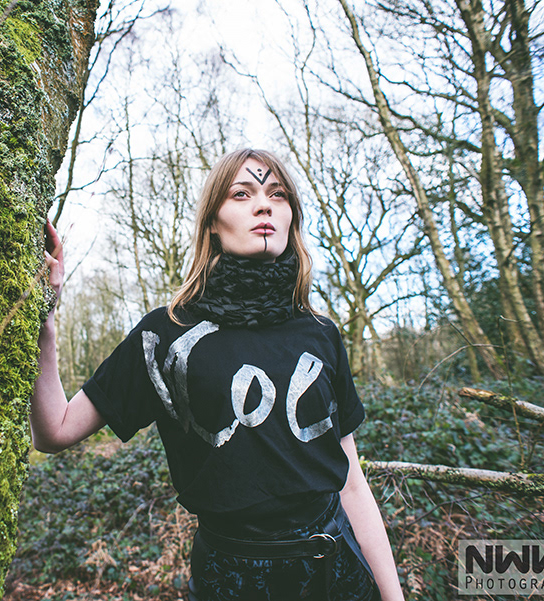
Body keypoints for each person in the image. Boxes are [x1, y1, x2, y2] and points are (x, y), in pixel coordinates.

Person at [30, 149, 405, 601]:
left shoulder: (321, 334)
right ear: (212, 221)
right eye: (241, 194)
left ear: (291, 216)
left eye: (277, 194)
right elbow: (55, 430)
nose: (264, 205)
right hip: (228, 581)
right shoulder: (166, 335)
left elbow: (352, 484)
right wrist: (45, 319)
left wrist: (394, 596)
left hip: (336, 576)